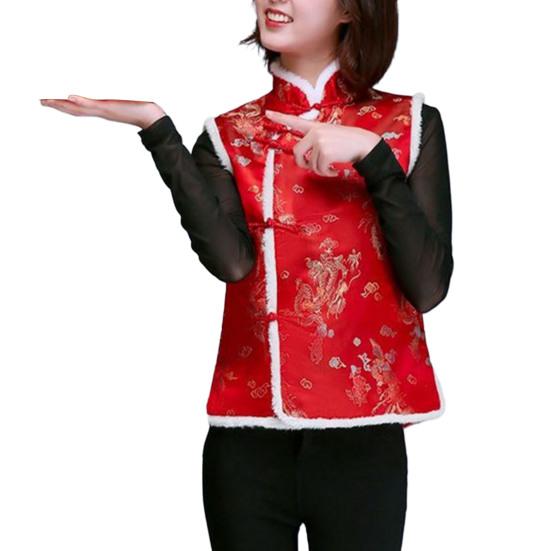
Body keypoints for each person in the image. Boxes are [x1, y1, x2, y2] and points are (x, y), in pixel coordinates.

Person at [40, 1, 453, 549]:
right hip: (246, 440)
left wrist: (373, 157)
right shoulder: (229, 133)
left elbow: (429, 286)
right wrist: (157, 129)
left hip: (361, 441)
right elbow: (230, 262)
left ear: (351, 9)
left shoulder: (407, 123)